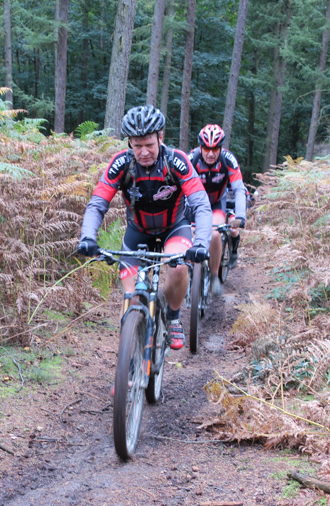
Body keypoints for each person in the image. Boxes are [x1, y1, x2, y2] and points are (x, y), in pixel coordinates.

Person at [75, 105, 212, 350]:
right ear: (129, 142)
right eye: (137, 145)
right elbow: (98, 203)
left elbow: (201, 204)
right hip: (138, 232)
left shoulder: (176, 161)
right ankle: (130, 362)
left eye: (149, 144)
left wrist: (201, 242)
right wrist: (87, 237)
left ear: (160, 137)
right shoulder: (121, 163)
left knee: (179, 267)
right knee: (132, 300)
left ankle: (172, 316)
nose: (144, 152)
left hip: (174, 227)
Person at [188, 124, 247, 296]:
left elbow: (239, 188)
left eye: (215, 149)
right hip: (195, 204)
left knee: (214, 233)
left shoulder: (228, 159)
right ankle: (190, 272)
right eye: (206, 148)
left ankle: (214, 275)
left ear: (221, 148)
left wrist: (240, 215)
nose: (210, 153)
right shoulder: (191, 158)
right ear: (200, 147)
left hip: (216, 204)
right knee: (189, 234)